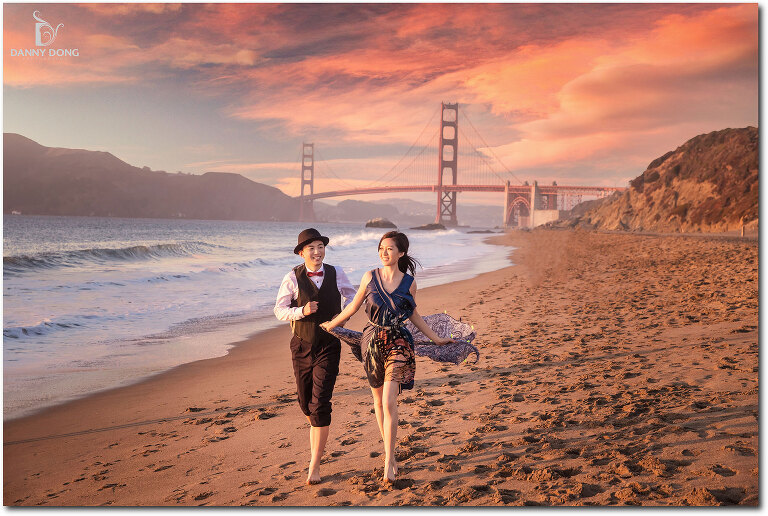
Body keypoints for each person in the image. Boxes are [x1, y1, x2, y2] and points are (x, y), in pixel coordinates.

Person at [320, 231, 453, 483]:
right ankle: (389, 455)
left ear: (401, 253)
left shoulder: (409, 282)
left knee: (390, 400)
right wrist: (333, 324)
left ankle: (388, 460)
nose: (384, 252)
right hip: (371, 343)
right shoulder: (369, 277)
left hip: (399, 342)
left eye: (390, 249)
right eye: (381, 248)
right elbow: (352, 307)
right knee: (379, 403)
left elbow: (413, 314)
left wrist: (436, 338)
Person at [274, 228, 356, 485]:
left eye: (320, 246)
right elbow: (279, 310)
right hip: (301, 346)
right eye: (311, 248)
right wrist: (302, 310)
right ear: (301, 252)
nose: (317, 252)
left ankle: (315, 465)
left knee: (320, 404)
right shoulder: (292, 277)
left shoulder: (336, 272)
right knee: (305, 404)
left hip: (330, 346)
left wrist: (342, 318)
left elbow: (352, 296)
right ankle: (316, 430)